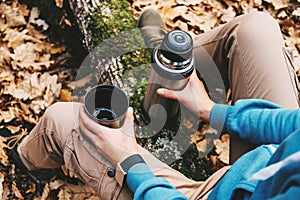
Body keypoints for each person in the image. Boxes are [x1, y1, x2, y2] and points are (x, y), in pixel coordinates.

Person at [13, 8, 300, 200]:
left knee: (62, 120)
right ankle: (166, 57)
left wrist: (130, 160)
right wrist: (214, 111)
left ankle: (23, 165)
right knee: (256, 29)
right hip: (268, 164)